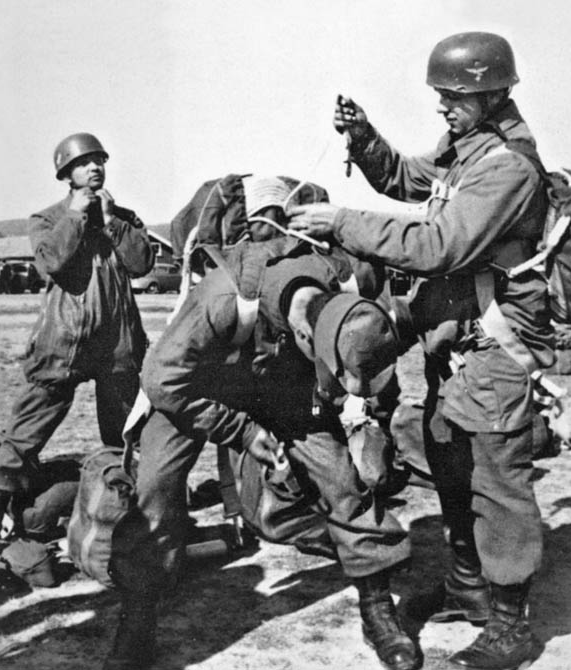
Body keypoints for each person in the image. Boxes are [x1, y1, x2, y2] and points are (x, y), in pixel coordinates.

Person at [289, 31, 554, 670]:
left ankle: (512, 625)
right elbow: (415, 181)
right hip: (458, 350)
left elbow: (439, 245)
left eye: (454, 96)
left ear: (493, 93)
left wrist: (343, 221)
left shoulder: (508, 168)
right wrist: (366, 140)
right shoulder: (469, 155)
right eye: (440, 95)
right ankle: (469, 589)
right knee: (453, 467)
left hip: (495, 352)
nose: (443, 106)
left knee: (496, 484)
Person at [104, 237, 420, 670]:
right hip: (193, 390)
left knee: (340, 477)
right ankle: (137, 616)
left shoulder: (351, 281)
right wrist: (244, 432)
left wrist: (374, 423)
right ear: (305, 333)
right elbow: (163, 381)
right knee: (156, 491)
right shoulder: (222, 300)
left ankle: (377, 607)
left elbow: (369, 352)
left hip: (277, 385)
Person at [0, 133, 154, 549]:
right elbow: (50, 263)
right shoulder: (47, 219)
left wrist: (113, 220)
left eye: (100, 160)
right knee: (20, 441)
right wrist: (77, 217)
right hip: (61, 348)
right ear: (66, 174)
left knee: (123, 441)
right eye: (85, 163)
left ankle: (122, 525)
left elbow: (142, 264)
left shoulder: (122, 217)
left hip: (117, 350)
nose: (95, 167)